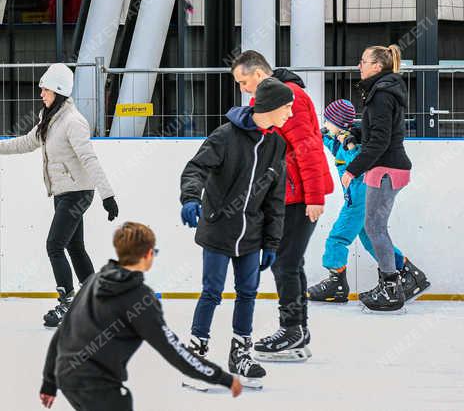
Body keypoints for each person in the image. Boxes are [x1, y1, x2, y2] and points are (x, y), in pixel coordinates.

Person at [0, 63, 118, 327]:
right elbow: (25, 142)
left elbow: (89, 159)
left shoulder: (73, 122)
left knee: (54, 245)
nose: (41, 94)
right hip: (62, 192)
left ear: (58, 91)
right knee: (74, 245)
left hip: (78, 193)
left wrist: (108, 195)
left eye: (45, 90)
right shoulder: (49, 119)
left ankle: (67, 302)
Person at [39, 222, 242, 410]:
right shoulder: (140, 300)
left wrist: (49, 382)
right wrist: (223, 378)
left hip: (66, 376)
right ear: (147, 254)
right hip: (99, 386)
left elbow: (62, 334)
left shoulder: (93, 280)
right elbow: (175, 352)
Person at [179, 77, 291, 390]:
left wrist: (272, 241)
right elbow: (195, 169)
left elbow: (275, 198)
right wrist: (190, 198)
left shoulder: (277, 145)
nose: (290, 114)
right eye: (287, 108)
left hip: (252, 236)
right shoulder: (226, 136)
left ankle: (240, 352)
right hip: (218, 228)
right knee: (212, 291)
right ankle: (196, 354)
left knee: (248, 292)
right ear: (268, 107)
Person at [230, 50, 333, 361]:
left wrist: (314, 197)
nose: (243, 88)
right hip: (285, 195)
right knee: (289, 262)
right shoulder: (263, 101)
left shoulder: (293, 98)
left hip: (301, 196)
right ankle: (297, 330)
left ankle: (292, 330)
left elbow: (309, 147)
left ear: (259, 75)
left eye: (244, 81)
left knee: (285, 263)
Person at [306, 99, 429, 304]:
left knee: (337, 238)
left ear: (338, 123)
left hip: (360, 199)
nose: (325, 124)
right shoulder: (337, 139)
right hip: (356, 197)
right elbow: (326, 139)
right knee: (371, 240)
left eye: (328, 121)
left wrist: (350, 142)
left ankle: (336, 283)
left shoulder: (350, 143)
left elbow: (360, 155)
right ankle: (410, 273)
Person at [342, 45, 416, 312]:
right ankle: (391, 282)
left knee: (374, 227)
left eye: (363, 61)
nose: (359, 65)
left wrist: (353, 170)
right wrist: (356, 133)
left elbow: (382, 140)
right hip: (386, 167)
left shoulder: (382, 94)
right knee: (374, 226)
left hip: (387, 168)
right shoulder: (380, 91)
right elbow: (377, 131)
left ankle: (391, 287)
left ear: (377, 66)